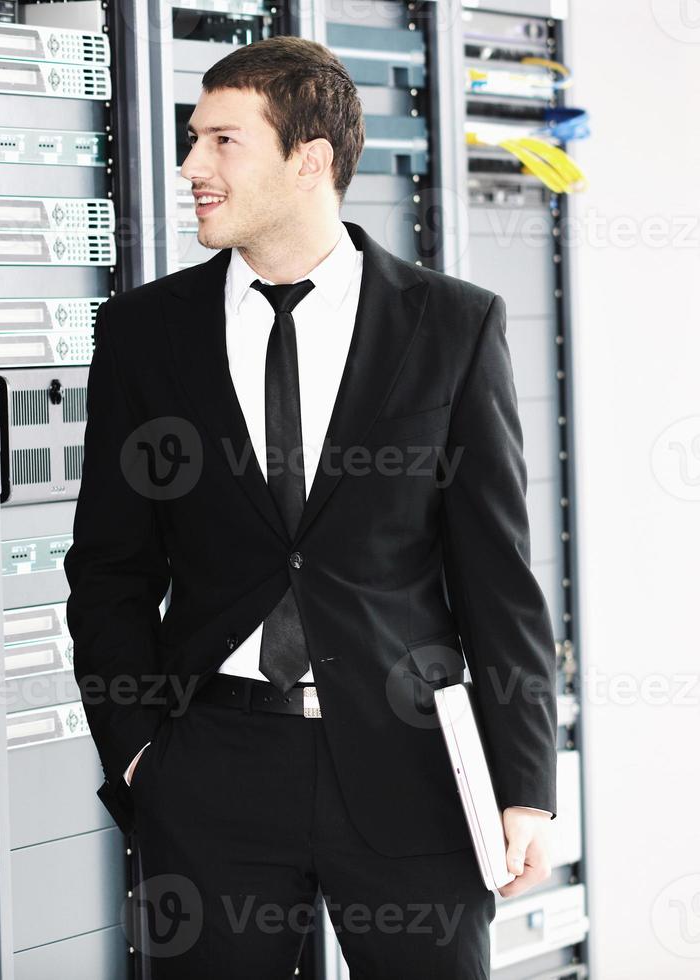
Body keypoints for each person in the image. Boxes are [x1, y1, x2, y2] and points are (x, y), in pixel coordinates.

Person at [64, 36, 558, 979]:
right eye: (192, 139)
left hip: (413, 766)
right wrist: (138, 758)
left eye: (222, 141)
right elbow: (110, 569)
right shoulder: (144, 334)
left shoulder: (452, 327)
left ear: (312, 158)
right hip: (214, 767)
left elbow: (499, 578)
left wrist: (525, 788)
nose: (190, 167)